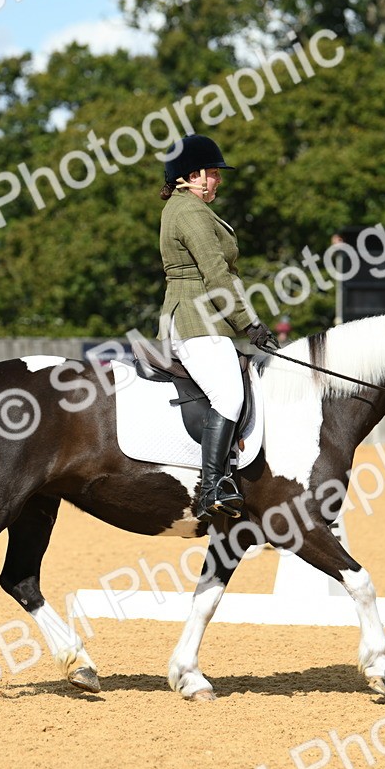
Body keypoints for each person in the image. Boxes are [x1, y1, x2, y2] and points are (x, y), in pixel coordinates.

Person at [157, 134, 274, 520]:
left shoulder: (188, 208)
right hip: (196, 317)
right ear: (190, 176)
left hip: (198, 314)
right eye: (212, 174)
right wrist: (248, 322)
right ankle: (211, 486)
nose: (217, 181)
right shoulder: (190, 212)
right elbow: (216, 274)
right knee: (228, 395)